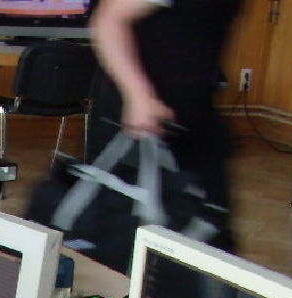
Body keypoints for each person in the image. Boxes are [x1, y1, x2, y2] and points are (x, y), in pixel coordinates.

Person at [89, 0, 244, 250]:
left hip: (194, 122)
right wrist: (139, 97)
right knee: (121, 238)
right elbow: (110, 20)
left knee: (209, 236)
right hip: (142, 126)